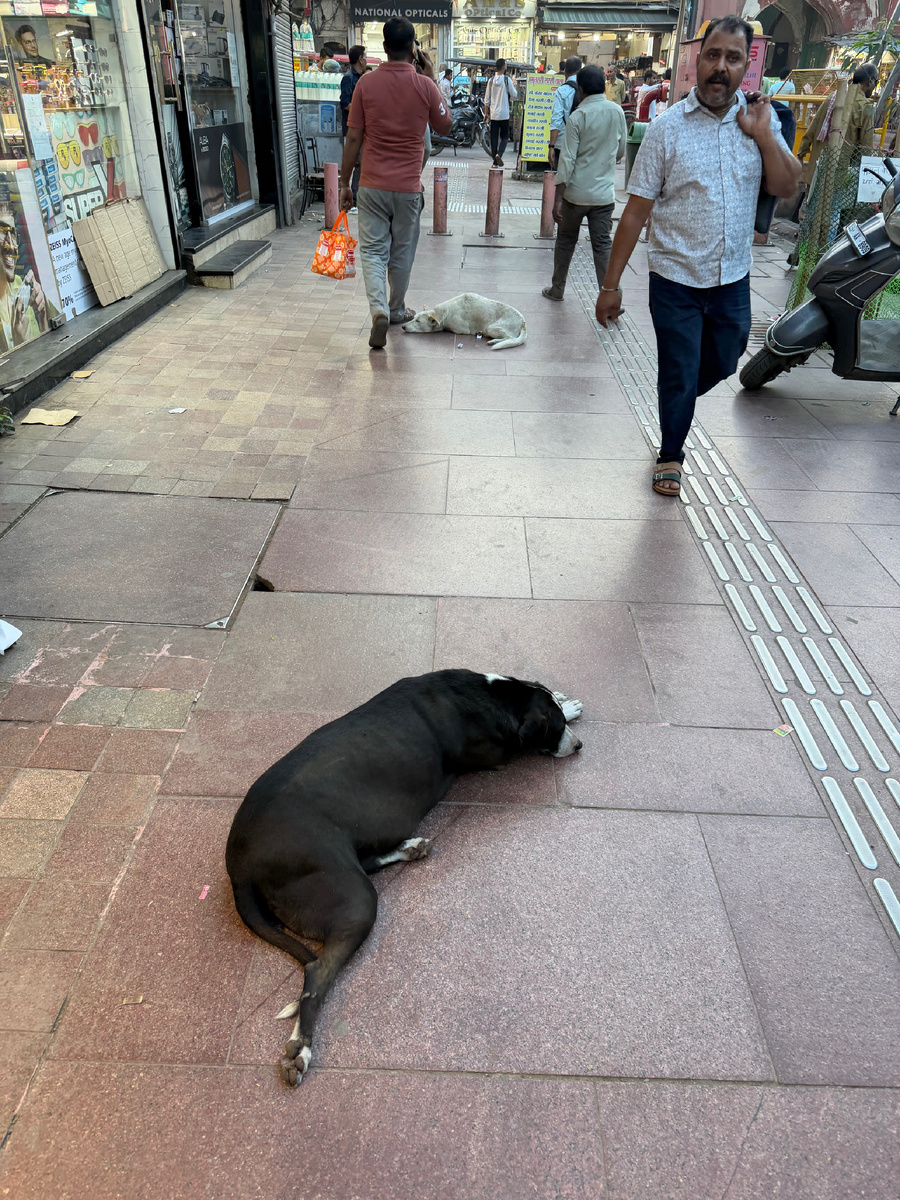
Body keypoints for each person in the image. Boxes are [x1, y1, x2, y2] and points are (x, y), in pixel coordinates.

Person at [595, 14, 801, 498]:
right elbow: (634, 213)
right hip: (675, 278)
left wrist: (765, 135)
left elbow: (788, 184)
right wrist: (610, 284)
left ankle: (677, 403)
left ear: (746, 66)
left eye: (733, 58)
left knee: (726, 361)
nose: (720, 67)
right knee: (679, 368)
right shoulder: (665, 130)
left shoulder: (759, 123)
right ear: (696, 60)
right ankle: (671, 454)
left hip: (731, 279)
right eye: (713, 55)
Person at [339, 17, 451, 349]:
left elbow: (354, 137)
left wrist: (345, 183)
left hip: (371, 184)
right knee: (401, 252)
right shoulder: (425, 85)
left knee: (373, 251)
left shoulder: (366, 84)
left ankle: (378, 310)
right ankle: (396, 307)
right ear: (413, 48)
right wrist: (430, 78)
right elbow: (445, 125)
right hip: (407, 187)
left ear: (384, 48)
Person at [542, 65, 626, 302]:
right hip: (603, 195)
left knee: (566, 241)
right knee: (602, 246)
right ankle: (611, 298)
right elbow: (620, 150)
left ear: (580, 89)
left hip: (576, 195)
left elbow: (567, 161)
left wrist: (558, 199)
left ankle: (557, 289)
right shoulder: (617, 112)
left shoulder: (578, 116)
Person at [796, 62, 877, 186]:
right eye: (876, 82)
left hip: (815, 171)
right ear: (870, 81)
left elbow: (812, 129)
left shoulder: (832, 97)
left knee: (811, 203)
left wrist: (801, 153)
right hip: (838, 176)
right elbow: (866, 148)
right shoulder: (864, 107)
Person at [0, 201, 52, 351]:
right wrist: (20, 347)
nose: (12, 246)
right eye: (3, 232)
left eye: (13, 234)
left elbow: (44, 353)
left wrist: (42, 319)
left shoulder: (18, 286)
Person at [340, 45, 367, 208]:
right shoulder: (349, 78)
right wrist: (362, 108)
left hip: (362, 128)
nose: (366, 59)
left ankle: (357, 195)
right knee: (356, 161)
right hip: (351, 128)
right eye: (365, 56)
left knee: (362, 162)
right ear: (360, 59)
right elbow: (345, 103)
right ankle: (354, 196)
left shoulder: (362, 77)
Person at [549, 55, 582, 165]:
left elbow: (556, 120)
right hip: (584, 144)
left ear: (565, 71)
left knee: (562, 178)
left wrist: (551, 146)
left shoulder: (562, 91)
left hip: (564, 144)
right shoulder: (587, 89)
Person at [484, 59, 517, 167]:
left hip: (494, 114)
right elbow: (514, 94)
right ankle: (499, 155)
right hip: (504, 114)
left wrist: (485, 114)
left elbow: (486, 100)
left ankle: (494, 162)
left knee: (494, 138)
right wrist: (514, 85)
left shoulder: (491, 80)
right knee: (504, 137)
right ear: (503, 67)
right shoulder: (507, 80)